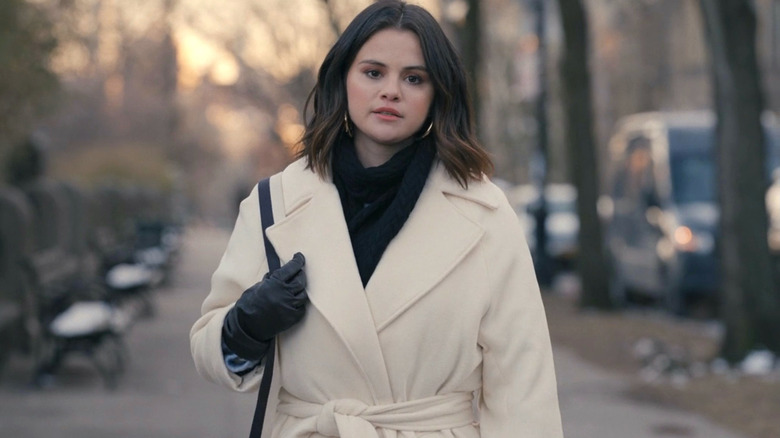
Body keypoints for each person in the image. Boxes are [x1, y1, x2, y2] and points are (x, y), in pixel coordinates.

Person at [190, 1, 564, 437]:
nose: (391, 91)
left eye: (414, 78)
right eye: (373, 72)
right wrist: (246, 324)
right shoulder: (276, 202)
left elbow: (522, 384)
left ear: (437, 93)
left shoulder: (485, 214)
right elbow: (209, 351)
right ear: (343, 79)